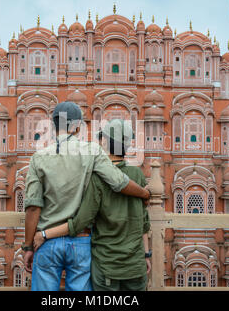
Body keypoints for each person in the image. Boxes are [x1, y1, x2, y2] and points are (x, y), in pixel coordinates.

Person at [23, 102, 150, 291]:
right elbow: (118, 181)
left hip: (46, 241)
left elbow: (33, 206)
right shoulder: (92, 151)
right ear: (76, 127)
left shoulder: (38, 157)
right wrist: (145, 193)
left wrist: (28, 247)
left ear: (53, 125)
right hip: (80, 241)